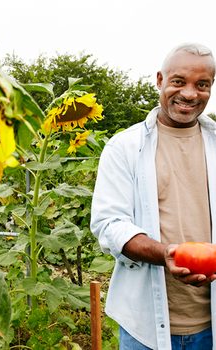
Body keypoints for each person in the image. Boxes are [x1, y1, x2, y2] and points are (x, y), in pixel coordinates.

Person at [90, 42, 216, 349]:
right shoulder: (124, 148)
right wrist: (166, 254)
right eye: (178, 82)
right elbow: (109, 224)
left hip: (211, 325)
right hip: (143, 325)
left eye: (202, 85)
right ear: (159, 80)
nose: (189, 94)